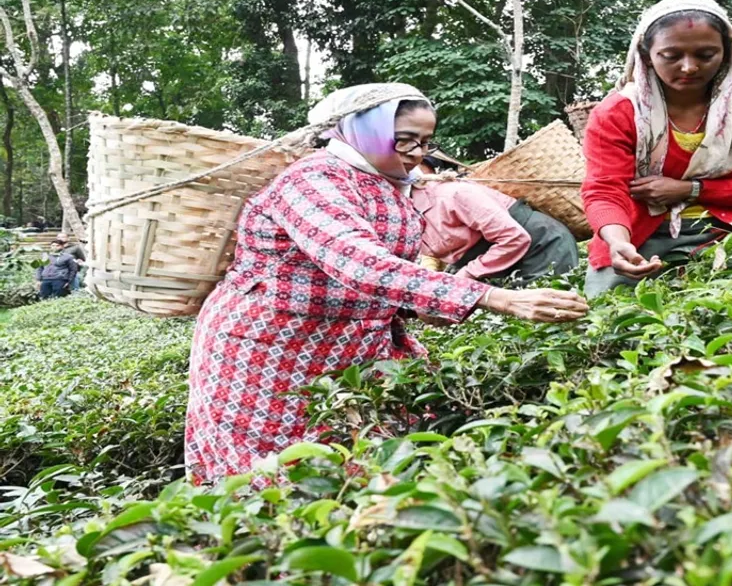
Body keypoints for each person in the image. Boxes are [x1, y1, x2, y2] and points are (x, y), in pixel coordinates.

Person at [185, 84, 589, 485]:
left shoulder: (390, 185)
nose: (416, 153)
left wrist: (418, 305)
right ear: (362, 130)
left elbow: (389, 271)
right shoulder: (312, 180)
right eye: (404, 140)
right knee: (277, 474)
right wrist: (491, 296)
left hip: (349, 346)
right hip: (271, 351)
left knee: (368, 461)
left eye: (425, 141)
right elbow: (360, 263)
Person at [581, 0, 732, 297]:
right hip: (636, 234)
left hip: (722, 233)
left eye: (706, 55)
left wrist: (690, 189)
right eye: (671, 55)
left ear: (727, 52)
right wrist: (618, 242)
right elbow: (604, 189)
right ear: (647, 54)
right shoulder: (617, 113)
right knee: (609, 309)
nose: (689, 67)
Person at [411, 157, 578, 286]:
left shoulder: (452, 194)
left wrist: (468, 273)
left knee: (550, 316)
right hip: (496, 263)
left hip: (542, 246)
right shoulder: (405, 214)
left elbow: (513, 237)